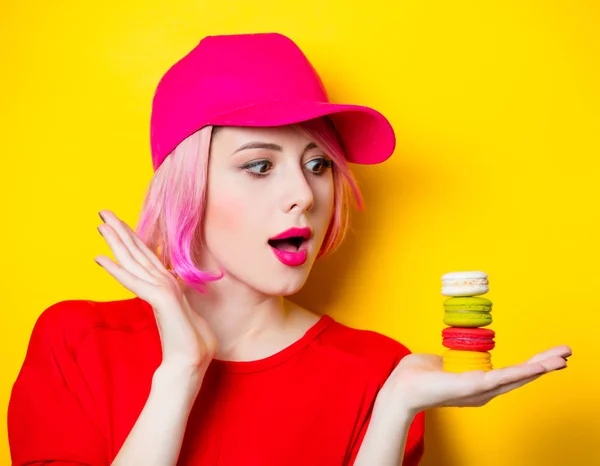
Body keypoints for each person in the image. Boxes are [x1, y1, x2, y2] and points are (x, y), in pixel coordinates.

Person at [7, 32, 571, 466]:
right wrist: (181, 368)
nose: (304, 194)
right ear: (187, 185)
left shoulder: (380, 375)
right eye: (259, 165)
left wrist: (392, 416)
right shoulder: (77, 344)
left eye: (319, 164)